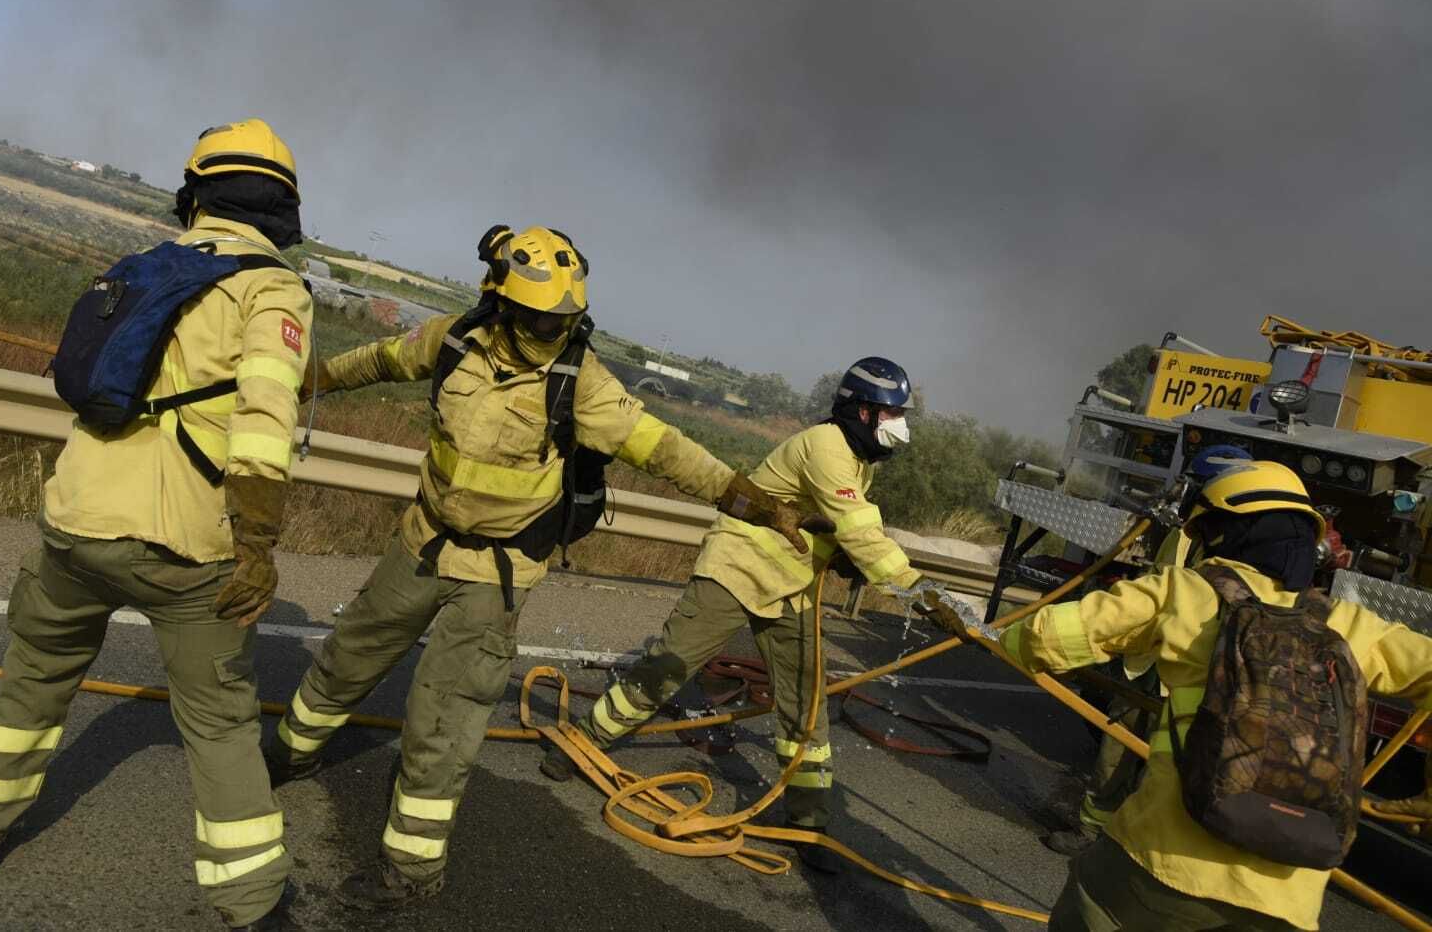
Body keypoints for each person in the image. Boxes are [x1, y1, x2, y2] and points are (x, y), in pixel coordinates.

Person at [264, 224, 816, 910]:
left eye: (562, 321)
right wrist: (308, 379)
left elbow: (670, 452)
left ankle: (410, 872)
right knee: (347, 659)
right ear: (500, 301)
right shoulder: (454, 340)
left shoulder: (581, 385)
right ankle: (290, 753)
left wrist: (757, 505)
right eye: (537, 318)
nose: (549, 331)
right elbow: (375, 360)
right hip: (422, 543)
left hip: (497, 575)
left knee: (444, 717)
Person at [0, 119, 313, 931]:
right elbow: (264, 421)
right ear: (283, 208)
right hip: (188, 546)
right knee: (218, 727)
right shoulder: (272, 288)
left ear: (197, 193)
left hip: (76, 521)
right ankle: (250, 901)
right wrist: (256, 545)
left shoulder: (143, 266)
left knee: (34, 680)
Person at [936, 460, 1432, 931]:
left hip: (1166, 860)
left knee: (1090, 908)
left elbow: (1047, 639)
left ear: (1223, 531)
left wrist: (1001, 641)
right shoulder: (1350, 625)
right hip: (1291, 893)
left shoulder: (1185, 592)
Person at [539, 356, 925, 874]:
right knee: (669, 666)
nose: (898, 426)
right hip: (738, 568)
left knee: (805, 706)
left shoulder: (859, 460)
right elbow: (858, 527)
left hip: (790, 586)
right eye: (890, 414)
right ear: (860, 412)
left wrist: (847, 558)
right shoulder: (827, 446)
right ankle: (580, 744)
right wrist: (922, 596)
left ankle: (806, 823)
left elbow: (834, 525)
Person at [1041, 444, 1252, 857]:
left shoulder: (1243, 548)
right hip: (1147, 660)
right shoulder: (1181, 532)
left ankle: (1138, 846)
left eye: (1195, 484)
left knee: (1169, 765)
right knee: (1115, 747)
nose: (1185, 492)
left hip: (1191, 672)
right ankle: (1092, 830)